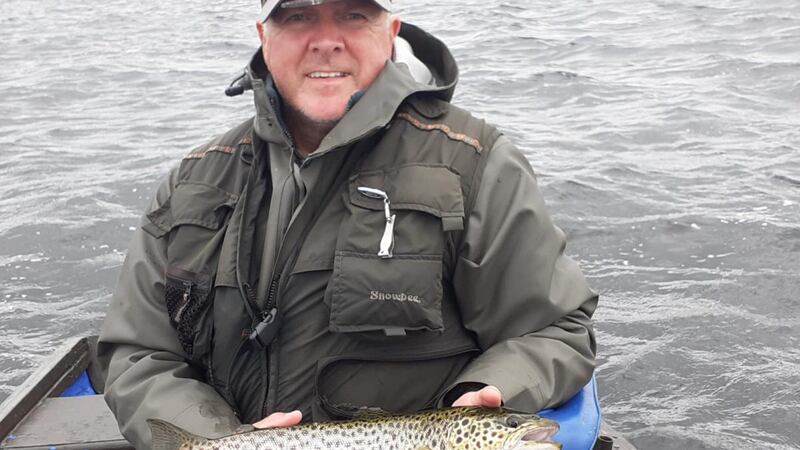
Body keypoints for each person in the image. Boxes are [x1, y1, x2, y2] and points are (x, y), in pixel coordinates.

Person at [97, 0, 598, 447]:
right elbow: (139, 353)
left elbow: (555, 331)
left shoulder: (477, 163)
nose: (326, 40)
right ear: (263, 37)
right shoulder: (194, 178)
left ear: (391, 30)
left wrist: (480, 398)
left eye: (354, 14)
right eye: (297, 16)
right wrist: (220, 441)